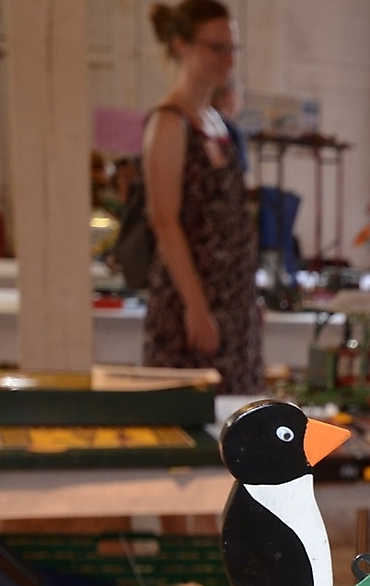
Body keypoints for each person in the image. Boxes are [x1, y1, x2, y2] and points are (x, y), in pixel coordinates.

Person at [142, 0, 263, 394]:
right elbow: (164, 220)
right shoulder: (168, 122)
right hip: (193, 302)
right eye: (216, 48)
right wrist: (195, 306)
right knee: (190, 409)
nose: (228, 59)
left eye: (232, 49)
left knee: (238, 413)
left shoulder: (216, 123)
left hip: (232, 301)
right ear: (182, 46)